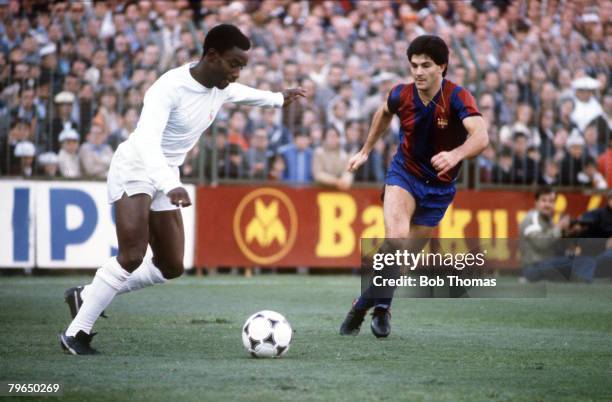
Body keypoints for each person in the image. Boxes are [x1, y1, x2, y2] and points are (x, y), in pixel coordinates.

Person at [60, 24, 305, 355]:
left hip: (166, 175)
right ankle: (77, 334)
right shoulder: (168, 88)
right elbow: (146, 143)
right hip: (136, 167)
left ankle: (87, 295)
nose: (237, 72)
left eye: (242, 66)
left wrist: (277, 99)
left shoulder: (220, 85)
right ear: (212, 56)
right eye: (234, 64)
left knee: (171, 266)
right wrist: (170, 184)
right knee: (132, 255)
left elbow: (242, 93)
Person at [339, 35, 488, 338]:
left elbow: (481, 136)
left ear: (442, 67)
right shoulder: (401, 94)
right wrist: (366, 150)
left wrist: (456, 154)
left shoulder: (458, 97)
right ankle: (382, 310)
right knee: (396, 239)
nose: (418, 72)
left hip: (440, 188)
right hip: (404, 174)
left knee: (403, 262)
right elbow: (383, 113)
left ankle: (363, 304)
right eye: (414, 65)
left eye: (426, 65)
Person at [520, 187, 596, 282]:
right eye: (544, 200)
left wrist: (568, 233)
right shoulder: (531, 219)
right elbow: (541, 243)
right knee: (586, 261)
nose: (547, 204)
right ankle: (582, 286)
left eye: (551, 201)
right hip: (534, 267)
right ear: (536, 202)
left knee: (583, 260)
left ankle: (575, 282)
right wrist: (559, 227)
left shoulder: (548, 220)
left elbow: (555, 245)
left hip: (546, 265)